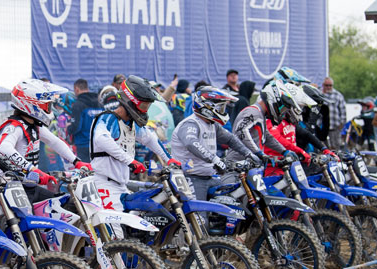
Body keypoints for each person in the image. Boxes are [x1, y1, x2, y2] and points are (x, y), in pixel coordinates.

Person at [89, 76, 181, 213]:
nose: (145, 110)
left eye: (148, 106)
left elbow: (151, 139)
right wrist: (130, 161)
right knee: (117, 226)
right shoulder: (107, 118)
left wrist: (169, 159)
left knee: (144, 215)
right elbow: (101, 139)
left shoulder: (131, 123)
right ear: (130, 101)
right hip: (104, 186)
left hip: (122, 185)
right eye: (144, 106)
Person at [0, 79, 92, 200]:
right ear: (32, 104)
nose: (49, 109)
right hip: (11, 188)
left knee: (63, 203)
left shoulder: (35, 126)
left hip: (28, 186)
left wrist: (76, 161)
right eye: (47, 105)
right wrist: (33, 169)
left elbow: (55, 142)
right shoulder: (14, 126)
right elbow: (4, 147)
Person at [170, 87, 257, 200]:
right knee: (199, 211)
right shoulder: (190, 123)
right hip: (190, 177)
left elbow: (230, 139)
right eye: (221, 107)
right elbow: (191, 143)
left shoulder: (212, 124)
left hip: (210, 176)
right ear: (207, 107)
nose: (223, 111)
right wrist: (215, 159)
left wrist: (248, 153)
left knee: (230, 203)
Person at [232, 80, 298, 166]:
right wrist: (258, 153)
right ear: (273, 100)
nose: (282, 113)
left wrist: (284, 151)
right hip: (238, 165)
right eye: (282, 109)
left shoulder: (260, 114)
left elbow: (267, 137)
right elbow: (241, 131)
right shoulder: (253, 112)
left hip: (250, 164)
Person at [68, 78, 101, 162]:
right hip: (99, 144)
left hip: (83, 145)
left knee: (85, 169)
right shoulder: (99, 103)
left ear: (76, 89)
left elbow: (76, 127)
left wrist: (68, 128)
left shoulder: (78, 105)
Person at [321, 77, 348, 148]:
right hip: (322, 126)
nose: (328, 87)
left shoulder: (338, 95)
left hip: (335, 126)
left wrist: (342, 123)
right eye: (326, 85)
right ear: (323, 85)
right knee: (323, 147)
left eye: (330, 85)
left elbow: (343, 111)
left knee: (335, 146)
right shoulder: (319, 94)